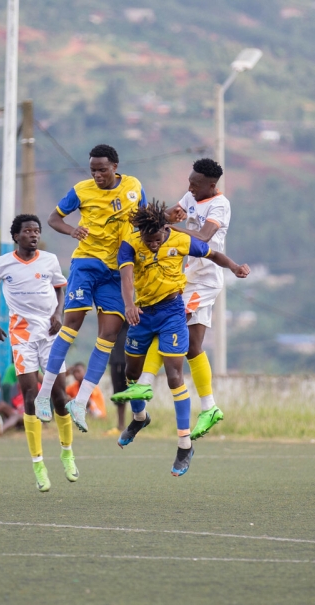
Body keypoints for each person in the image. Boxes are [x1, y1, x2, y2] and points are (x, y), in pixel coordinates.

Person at [114, 202, 249, 476]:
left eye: (156, 240)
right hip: (142, 312)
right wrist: (129, 305)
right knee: (131, 372)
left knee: (175, 374)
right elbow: (126, 278)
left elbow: (214, 254)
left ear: (165, 230)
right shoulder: (130, 243)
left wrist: (234, 267)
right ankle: (140, 418)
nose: (151, 245)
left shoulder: (180, 239)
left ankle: (184, 446)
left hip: (172, 311)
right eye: (146, 240)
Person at [34, 144, 146, 433]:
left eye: (102, 169)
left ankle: (80, 402)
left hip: (115, 269)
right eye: (93, 169)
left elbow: (144, 221)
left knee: (108, 334)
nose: (96, 174)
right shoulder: (81, 190)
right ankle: (43, 395)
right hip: (86, 263)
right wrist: (72, 230)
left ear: (115, 167)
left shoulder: (133, 187)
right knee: (72, 323)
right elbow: (53, 218)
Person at [117, 158, 230, 441]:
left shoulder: (219, 204)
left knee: (169, 323)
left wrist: (170, 231)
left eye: (195, 184)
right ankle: (210, 407)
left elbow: (203, 237)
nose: (189, 188)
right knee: (192, 347)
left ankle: (144, 382)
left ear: (210, 185)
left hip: (205, 280)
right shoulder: (191, 196)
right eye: (189, 182)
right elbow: (166, 217)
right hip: (188, 276)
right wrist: (155, 219)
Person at [0, 213, 76, 492]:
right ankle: (38, 463)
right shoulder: (2, 264)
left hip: (50, 334)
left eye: (36, 231)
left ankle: (67, 452)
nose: (34, 235)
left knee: (60, 395)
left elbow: (61, 288)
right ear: (16, 236)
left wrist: (58, 314)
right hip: (21, 336)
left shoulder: (49, 260)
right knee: (30, 397)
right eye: (27, 231)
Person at [108, 326, 129, 432]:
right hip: (115, 357)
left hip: (131, 355)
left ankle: (137, 421)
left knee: (134, 391)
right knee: (118, 391)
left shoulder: (133, 310)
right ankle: (121, 424)